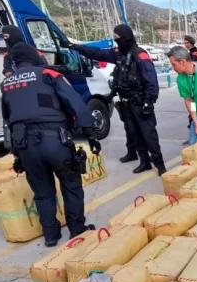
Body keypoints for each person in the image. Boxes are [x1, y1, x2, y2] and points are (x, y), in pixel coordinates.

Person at [0, 43, 98, 247]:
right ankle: (77, 229)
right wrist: (90, 134)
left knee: (42, 192)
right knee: (71, 185)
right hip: (55, 140)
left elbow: (8, 120)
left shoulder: (7, 84)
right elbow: (75, 103)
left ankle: (51, 235)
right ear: (33, 56)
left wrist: (17, 154)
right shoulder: (49, 74)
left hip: (25, 145)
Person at [69, 25, 164, 174]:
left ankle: (160, 166)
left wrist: (148, 101)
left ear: (125, 38)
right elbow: (97, 53)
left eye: (117, 39)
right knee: (134, 134)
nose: (116, 42)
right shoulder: (119, 54)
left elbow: (151, 79)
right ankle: (145, 162)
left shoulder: (140, 55)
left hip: (140, 102)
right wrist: (76, 47)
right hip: (126, 102)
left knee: (148, 134)